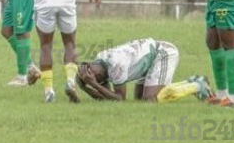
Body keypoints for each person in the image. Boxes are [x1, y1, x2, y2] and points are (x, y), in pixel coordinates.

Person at [76, 38, 214, 102]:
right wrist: (85, 88)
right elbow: (107, 98)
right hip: (147, 62)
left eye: (96, 80)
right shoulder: (99, 61)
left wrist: (93, 84)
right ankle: (190, 81)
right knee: (139, 102)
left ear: (97, 74)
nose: (99, 83)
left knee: (150, 100)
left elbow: (119, 99)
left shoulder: (115, 65)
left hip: (163, 53)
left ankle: (197, 86)